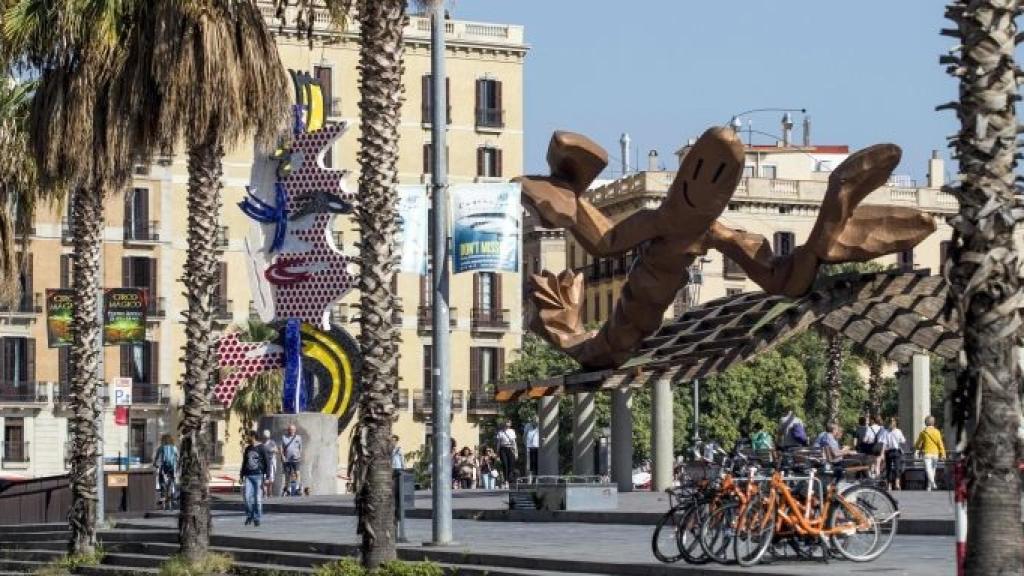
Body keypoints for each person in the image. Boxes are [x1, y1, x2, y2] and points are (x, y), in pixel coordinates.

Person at [240, 430, 270, 526]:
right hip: (248, 476)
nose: (246, 438)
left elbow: (267, 462)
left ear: (253, 437)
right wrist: (241, 475)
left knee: (257, 499)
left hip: (258, 475)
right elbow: (244, 463)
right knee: (246, 497)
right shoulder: (248, 448)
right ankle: (250, 515)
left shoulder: (262, 448)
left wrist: (267, 476)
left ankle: (257, 518)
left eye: (248, 436)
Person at [914, 415, 946, 491]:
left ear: (925, 423)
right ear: (933, 423)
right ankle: (929, 487)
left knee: (928, 470)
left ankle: (933, 483)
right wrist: (943, 454)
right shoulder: (937, 431)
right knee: (933, 470)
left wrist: (915, 448)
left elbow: (918, 444)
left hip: (927, 453)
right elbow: (940, 444)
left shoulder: (923, 432)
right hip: (935, 453)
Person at [879, 417, 907, 491]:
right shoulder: (886, 432)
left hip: (895, 451)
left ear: (895, 423)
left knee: (896, 467)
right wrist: (882, 454)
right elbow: (884, 444)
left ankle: (896, 483)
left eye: (892, 422)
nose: (891, 423)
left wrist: (901, 443)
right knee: (889, 468)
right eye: (890, 422)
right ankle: (890, 484)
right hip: (889, 451)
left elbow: (902, 441)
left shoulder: (898, 431)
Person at [153, 434, 178, 511]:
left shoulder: (161, 448)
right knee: (172, 483)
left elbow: (157, 457)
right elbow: (177, 457)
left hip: (164, 468)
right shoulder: (174, 448)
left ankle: (162, 497)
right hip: (172, 468)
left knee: (162, 482)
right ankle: (173, 498)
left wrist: (155, 464)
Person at [280, 424, 303, 497]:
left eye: (293, 429)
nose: (291, 431)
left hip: (296, 458)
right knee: (287, 474)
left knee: (297, 473)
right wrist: (282, 456)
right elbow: (280, 447)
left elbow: (300, 447)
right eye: (290, 429)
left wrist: (300, 455)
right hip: (287, 459)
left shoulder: (298, 438)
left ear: (295, 430)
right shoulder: (284, 437)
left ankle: (297, 487)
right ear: (288, 430)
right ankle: (288, 488)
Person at [496, 420, 518, 488]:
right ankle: (506, 481)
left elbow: (514, 442)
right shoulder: (500, 432)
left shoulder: (512, 431)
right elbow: (499, 442)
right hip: (503, 449)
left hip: (510, 448)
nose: (507, 423)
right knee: (505, 464)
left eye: (508, 422)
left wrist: (516, 452)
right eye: (506, 422)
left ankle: (509, 480)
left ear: (510, 424)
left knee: (511, 465)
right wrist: (497, 452)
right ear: (504, 424)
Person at [261, 430, 278, 498]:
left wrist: (273, 450)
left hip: (271, 462)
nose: (266, 439)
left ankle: (270, 492)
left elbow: (277, 450)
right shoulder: (261, 444)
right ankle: (265, 493)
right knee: (264, 478)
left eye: (267, 437)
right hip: (264, 463)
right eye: (265, 437)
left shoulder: (272, 442)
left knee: (271, 478)